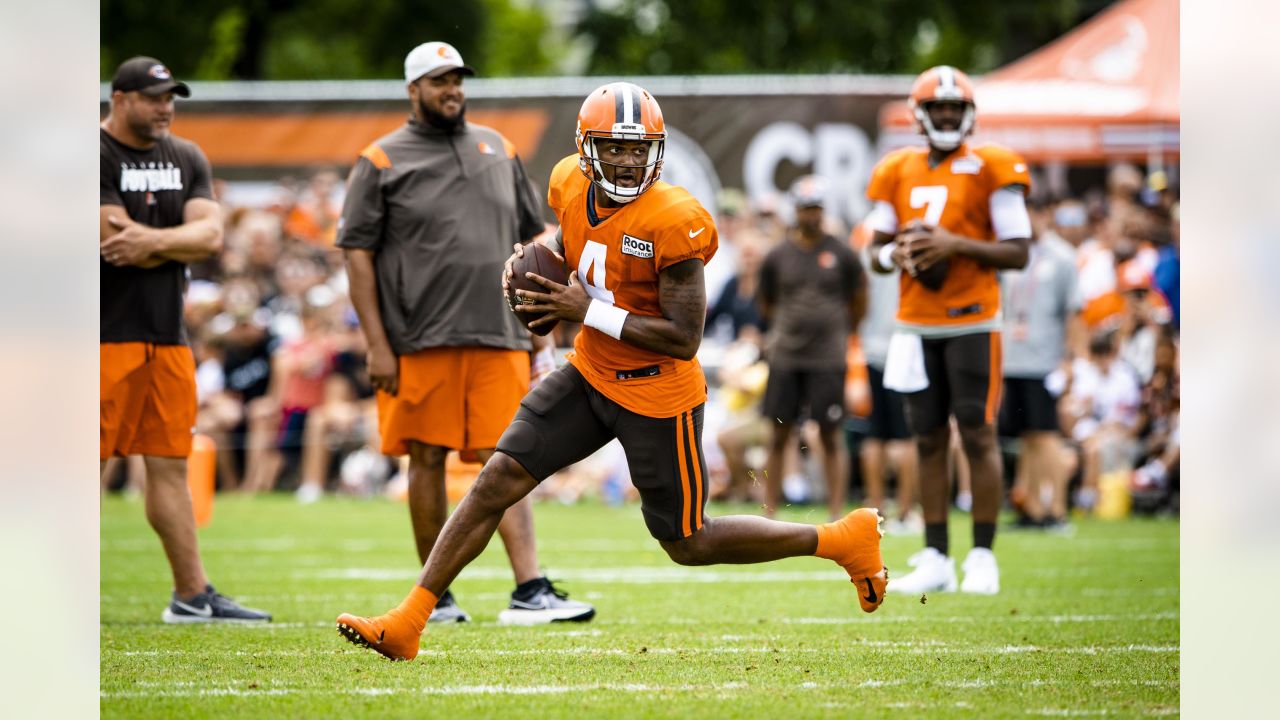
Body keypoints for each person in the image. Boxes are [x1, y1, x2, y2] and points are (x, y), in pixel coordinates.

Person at [335, 82, 887, 661]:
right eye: (614, 147)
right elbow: (578, 244)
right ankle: (409, 621)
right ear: (584, 147)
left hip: (657, 390)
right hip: (591, 371)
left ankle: (840, 539)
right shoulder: (568, 182)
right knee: (496, 477)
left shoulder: (675, 218)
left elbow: (683, 337)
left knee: (688, 541)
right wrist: (538, 271)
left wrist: (585, 309)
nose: (627, 159)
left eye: (638, 148)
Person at [335, 42, 593, 625]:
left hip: (501, 335)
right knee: (425, 458)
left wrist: (541, 331)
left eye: (457, 79)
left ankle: (530, 589)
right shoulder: (379, 159)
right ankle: (437, 597)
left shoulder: (499, 148)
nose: (452, 89)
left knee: (510, 459)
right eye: (438, 80)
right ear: (413, 90)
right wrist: (377, 344)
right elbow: (356, 256)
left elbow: (536, 244)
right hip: (418, 339)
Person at [100, 56, 271, 623]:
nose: (166, 107)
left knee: (170, 464)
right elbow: (106, 238)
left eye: (172, 96)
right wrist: (179, 238)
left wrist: (148, 240)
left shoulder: (186, 155)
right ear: (120, 99)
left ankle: (191, 595)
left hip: (167, 338)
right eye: (154, 98)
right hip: (99, 334)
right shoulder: (93, 153)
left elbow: (211, 235)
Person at [865, 66, 1031, 595]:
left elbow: (1019, 250)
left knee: (978, 435)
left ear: (968, 114)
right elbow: (875, 252)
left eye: (953, 109)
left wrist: (953, 244)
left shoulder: (992, 166)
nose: (945, 116)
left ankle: (982, 554)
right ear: (920, 114)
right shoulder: (895, 169)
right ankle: (936, 554)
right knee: (927, 440)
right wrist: (902, 251)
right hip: (915, 323)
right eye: (937, 108)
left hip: (973, 319)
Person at [758, 176, 867, 521]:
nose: (811, 215)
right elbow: (766, 302)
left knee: (832, 434)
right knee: (778, 433)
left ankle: (837, 513)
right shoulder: (777, 255)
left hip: (827, 358)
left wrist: (839, 331)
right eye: (806, 208)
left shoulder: (842, 253)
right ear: (796, 210)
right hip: (787, 355)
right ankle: (770, 513)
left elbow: (860, 300)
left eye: (817, 208)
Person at [998, 201, 1084, 528]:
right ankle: (1032, 509)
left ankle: (1058, 509)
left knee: (1047, 435)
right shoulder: (1013, 255)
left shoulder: (1061, 257)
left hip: (1044, 360)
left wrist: (1070, 359)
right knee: (1027, 437)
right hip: (1014, 359)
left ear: (1043, 216)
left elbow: (1074, 311)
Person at [848, 223, 920, 535]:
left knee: (875, 435)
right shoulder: (910, 242)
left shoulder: (868, 247)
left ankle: (877, 511)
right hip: (906, 344)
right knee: (905, 436)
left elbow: (857, 303)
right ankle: (905, 512)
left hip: (874, 347)